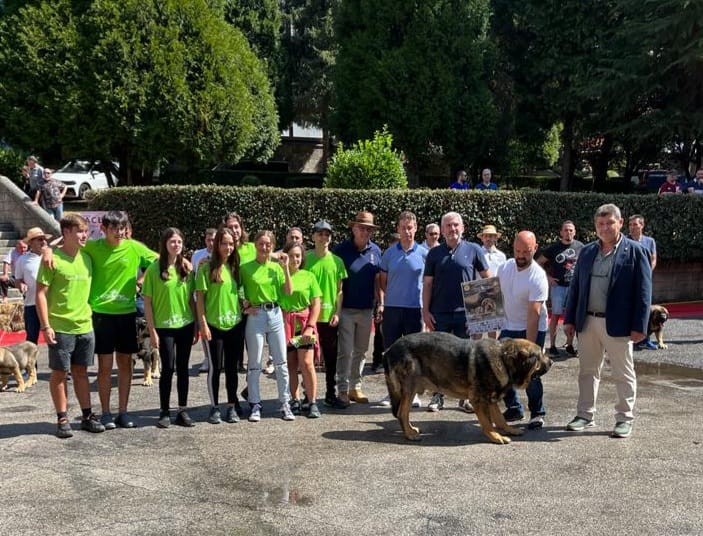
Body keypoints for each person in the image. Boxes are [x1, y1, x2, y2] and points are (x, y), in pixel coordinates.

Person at [564, 204, 652, 439]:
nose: (605, 228)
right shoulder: (587, 251)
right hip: (588, 322)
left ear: (620, 223)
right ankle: (585, 414)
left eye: (609, 223)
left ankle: (624, 418)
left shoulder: (635, 251)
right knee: (587, 371)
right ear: (595, 227)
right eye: (600, 224)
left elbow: (644, 292)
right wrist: (570, 318)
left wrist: (640, 326)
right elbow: (576, 287)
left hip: (619, 325)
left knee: (623, 373)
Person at [65, 211, 158, 429]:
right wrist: (49, 251)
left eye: (122, 228)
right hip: (101, 315)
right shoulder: (93, 247)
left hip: (126, 314)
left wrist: (141, 280)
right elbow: (67, 244)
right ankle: (106, 413)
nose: (119, 232)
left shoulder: (134, 247)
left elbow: (158, 260)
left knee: (125, 364)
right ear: (104, 229)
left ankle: (123, 412)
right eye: (114, 228)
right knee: (104, 367)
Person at [35, 214, 105, 438]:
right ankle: (62, 417)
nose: (85, 235)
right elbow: (40, 294)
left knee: (81, 372)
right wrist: (46, 326)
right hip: (60, 326)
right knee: (59, 373)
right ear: (66, 233)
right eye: (79, 231)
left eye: (86, 231)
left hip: (85, 325)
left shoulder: (87, 257)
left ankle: (86, 416)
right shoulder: (52, 260)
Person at [422, 211, 490, 411]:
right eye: (448, 226)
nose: (452, 229)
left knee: (466, 358)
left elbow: (487, 282)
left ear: (462, 227)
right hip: (439, 314)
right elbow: (427, 285)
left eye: (455, 225)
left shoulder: (474, 249)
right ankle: (437, 396)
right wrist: (425, 312)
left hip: (466, 315)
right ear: (442, 230)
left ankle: (467, 397)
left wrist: (479, 314)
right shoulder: (434, 254)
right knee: (438, 357)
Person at [143, 228, 199, 428]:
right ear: (165, 244)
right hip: (164, 326)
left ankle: (182, 410)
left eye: (179, 242)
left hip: (185, 324)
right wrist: (152, 331)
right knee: (168, 368)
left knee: (183, 369)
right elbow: (147, 303)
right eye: (172, 242)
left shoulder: (186, 269)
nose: (176, 245)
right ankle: (164, 410)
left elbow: (192, 299)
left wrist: (196, 326)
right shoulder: (154, 269)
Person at [240, 230, 295, 422]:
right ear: (255, 245)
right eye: (261, 244)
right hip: (256, 315)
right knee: (254, 363)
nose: (264, 247)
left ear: (272, 246)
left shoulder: (276, 268)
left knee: (281, 362)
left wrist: (286, 268)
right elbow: (236, 289)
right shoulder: (245, 268)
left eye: (268, 244)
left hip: (275, 313)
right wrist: (243, 305)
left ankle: (285, 402)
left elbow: (288, 291)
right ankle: (255, 403)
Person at [498, 231, 549, 429]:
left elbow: (534, 314)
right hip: (508, 325)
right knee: (502, 370)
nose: (520, 255)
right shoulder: (505, 267)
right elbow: (492, 296)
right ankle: (514, 408)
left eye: (526, 252)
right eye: (517, 251)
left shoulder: (538, 276)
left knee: (531, 371)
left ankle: (537, 412)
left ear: (535, 249)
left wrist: (530, 346)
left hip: (531, 327)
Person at [195, 227, 245, 424]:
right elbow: (200, 300)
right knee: (215, 368)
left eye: (231, 244)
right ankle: (214, 406)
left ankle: (231, 406)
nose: (228, 247)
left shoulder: (236, 267)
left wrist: (246, 305)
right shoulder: (206, 268)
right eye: (224, 243)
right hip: (214, 326)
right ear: (216, 245)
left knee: (232, 368)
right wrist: (203, 324)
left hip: (234, 325)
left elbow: (240, 293)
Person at [332, 211, 382, 407]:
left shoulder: (376, 251)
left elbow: (378, 280)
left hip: (366, 308)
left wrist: (380, 303)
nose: (365, 232)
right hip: (345, 309)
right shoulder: (340, 250)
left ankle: (355, 386)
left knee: (361, 351)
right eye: (361, 228)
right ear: (353, 228)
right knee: (345, 350)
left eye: (369, 229)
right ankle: (342, 389)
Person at [378, 211, 427, 407]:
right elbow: (383, 282)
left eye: (410, 228)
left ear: (416, 228)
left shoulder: (425, 254)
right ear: (398, 229)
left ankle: (412, 393)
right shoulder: (389, 254)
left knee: (414, 355)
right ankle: (392, 392)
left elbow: (429, 283)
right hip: (392, 309)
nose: (407, 231)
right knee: (391, 352)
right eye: (403, 228)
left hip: (415, 309)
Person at [305, 220, 348, 410]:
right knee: (306, 359)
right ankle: (308, 396)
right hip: (307, 319)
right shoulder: (305, 259)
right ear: (313, 236)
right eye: (320, 234)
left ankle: (330, 394)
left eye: (327, 234)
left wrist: (337, 313)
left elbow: (340, 291)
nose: (324, 237)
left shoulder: (337, 261)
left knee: (331, 359)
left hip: (329, 317)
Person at [279, 241, 322, 418]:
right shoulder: (278, 276)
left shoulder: (309, 276)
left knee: (306, 363)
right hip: (285, 323)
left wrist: (311, 326)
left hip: (303, 323)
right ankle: (294, 399)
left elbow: (316, 303)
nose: (295, 259)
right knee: (290, 364)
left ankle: (312, 401)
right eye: (291, 255)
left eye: (298, 256)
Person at [536, 221, 584, 357]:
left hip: (574, 288)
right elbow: (538, 263)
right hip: (558, 287)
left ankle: (569, 344)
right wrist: (548, 277)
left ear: (574, 232)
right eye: (566, 230)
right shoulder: (554, 248)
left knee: (572, 317)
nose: (568, 233)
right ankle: (552, 346)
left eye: (571, 230)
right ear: (561, 232)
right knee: (556, 316)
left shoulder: (581, 247)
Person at [223, 212, 255, 372]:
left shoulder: (252, 248)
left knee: (251, 339)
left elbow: (267, 257)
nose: (234, 230)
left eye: (236, 226)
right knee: (236, 338)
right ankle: (236, 364)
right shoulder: (224, 250)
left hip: (251, 300)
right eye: (230, 227)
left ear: (242, 228)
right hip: (231, 300)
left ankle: (252, 367)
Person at [628, 215, 658, 350]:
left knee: (644, 309)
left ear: (642, 225)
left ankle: (645, 339)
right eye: (630, 225)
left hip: (644, 282)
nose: (632, 227)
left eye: (635, 224)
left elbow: (653, 259)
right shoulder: (625, 241)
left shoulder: (650, 241)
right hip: (628, 281)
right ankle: (629, 339)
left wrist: (646, 274)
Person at [15, 227, 50, 344]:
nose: (43, 242)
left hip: (51, 304)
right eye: (39, 239)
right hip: (31, 304)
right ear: (30, 242)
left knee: (55, 339)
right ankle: (31, 363)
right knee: (31, 340)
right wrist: (21, 285)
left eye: (44, 239)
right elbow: (17, 279)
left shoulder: (53, 256)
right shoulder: (22, 260)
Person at [474, 224, 507, 340]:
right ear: (482, 238)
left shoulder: (502, 256)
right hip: (478, 292)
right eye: (486, 236)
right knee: (477, 328)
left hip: (495, 292)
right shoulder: (476, 253)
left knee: (493, 328)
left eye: (491, 236)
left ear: (496, 238)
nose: (488, 238)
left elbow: (503, 275)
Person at [191, 228, 216, 374]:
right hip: (200, 295)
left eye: (214, 239)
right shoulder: (197, 255)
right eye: (208, 240)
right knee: (203, 327)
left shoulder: (222, 253)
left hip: (216, 296)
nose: (211, 243)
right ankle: (207, 358)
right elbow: (193, 274)